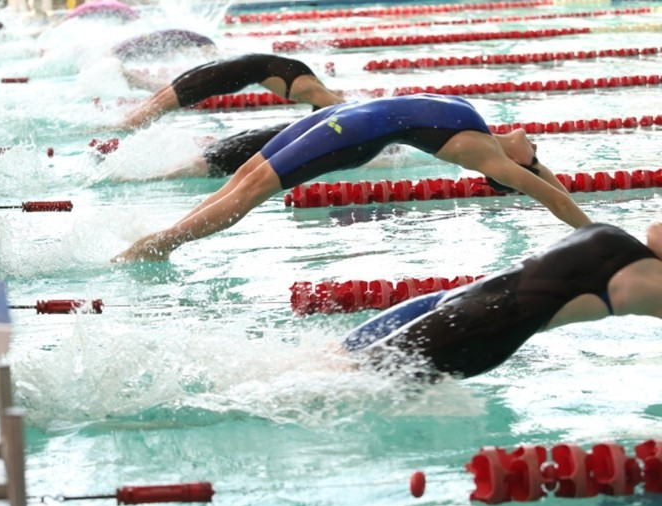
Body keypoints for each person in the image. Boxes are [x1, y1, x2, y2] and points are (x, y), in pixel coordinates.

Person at [111, 94, 593, 262]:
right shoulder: (484, 130)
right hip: (346, 116)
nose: (536, 144)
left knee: (253, 190)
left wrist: (594, 234)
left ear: (516, 168)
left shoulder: (485, 154)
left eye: (537, 156)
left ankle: (161, 243)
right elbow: (541, 175)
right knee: (246, 173)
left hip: (353, 132)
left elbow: (546, 192)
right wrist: (536, 169)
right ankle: (164, 237)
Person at [341, 222, 662, 380]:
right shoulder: (630, 246)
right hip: (453, 302)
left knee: (347, 378)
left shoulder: (651, 284)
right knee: (336, 358)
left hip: (479, 329)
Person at [117, 53, 344, 130]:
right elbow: (341, 110)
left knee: (160, 99)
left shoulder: (307, 82)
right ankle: (121, 127)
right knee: (161, 104)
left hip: (230, 66)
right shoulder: (311, 91)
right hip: (227, 73)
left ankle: (122, 121)